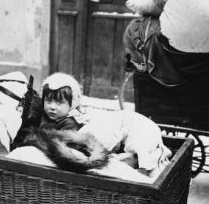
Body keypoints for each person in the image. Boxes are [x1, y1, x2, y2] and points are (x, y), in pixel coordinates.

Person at [15, 72, 170, 180]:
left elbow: (72, 145)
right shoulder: (46, 116)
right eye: (48, 101)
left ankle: (139, 165)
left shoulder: (70, 122)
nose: (52, 107)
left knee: (140, 149)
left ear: (72, 105)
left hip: (126, 128)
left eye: (59, 102)